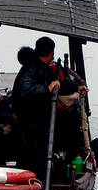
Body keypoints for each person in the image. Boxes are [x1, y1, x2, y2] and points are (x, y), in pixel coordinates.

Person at [12, 36, 88, 178]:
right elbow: (26, 90)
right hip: (31, 118)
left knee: (72, 118)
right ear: (51, 53)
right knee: (34, 153)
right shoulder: (31, 68)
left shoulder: (42, 67)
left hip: (38, 115)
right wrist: (47, 88)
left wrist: (77, 86)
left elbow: (58, 83)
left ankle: (64, 160)